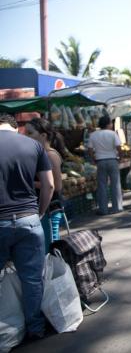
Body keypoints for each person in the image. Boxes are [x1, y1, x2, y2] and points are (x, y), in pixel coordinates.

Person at [0, 112, 54, 340]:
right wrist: (39, 212)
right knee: (32, 279)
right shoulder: (33, 146)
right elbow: (49, 185)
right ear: (15, 127)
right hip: (29, 219)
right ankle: (35, 328)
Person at [24, 117, 65, 251]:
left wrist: (28, 183)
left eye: (30, 133)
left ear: (43, 135)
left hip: (50, 209)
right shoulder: (39, 154)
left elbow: (56, 186)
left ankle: (55, 272)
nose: (25, 136)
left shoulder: (50, 155)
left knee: (51, 249)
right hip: (43, 208)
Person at [88, 115, 123, 215]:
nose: (112, 125)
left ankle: (103, 209)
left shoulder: (93, 134)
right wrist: (120, 157)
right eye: (111, 123)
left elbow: (90, 150)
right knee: (115, 184)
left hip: (100, 161)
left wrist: (94, 159)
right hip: (112, 160)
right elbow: (119, 147)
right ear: (108, 124)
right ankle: (117, 208)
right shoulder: (112, 134)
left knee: (102, 185)